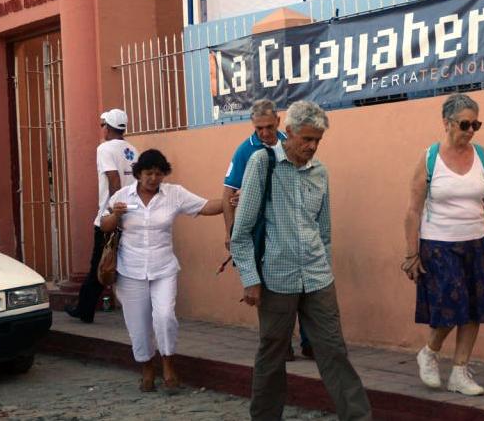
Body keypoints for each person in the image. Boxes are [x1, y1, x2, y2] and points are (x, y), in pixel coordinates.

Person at [230, 101, 372, 421]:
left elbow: (324, 231)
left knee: (334, 351)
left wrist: (324, 266)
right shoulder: (262, 163)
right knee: (273, 354)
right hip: (276, 278)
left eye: (317, 140)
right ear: (289, 132)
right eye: (306, 139)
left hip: (317, 277)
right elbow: (242, 230)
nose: (312, 146)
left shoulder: (320, 172)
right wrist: (250, 279)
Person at [402, 93, 484, 396]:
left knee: (475, 308)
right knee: (452, 307)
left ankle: (459, 372)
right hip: (438, 244)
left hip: (475, 243)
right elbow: (413, 210)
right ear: (447, 123)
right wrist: (411, 254)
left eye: (476, 125)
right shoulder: (429, 158)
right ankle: (429, 351)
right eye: (464, 124)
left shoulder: (481, 155)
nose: (470, 131)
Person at [101, 149, 223, 392]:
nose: (153, 179)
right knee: (138, 325)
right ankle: (147, 369)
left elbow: (206, 206)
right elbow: (103, 225)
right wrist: (116, 214)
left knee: (165, 316)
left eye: (158, 174)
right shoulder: (122, 195)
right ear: (138, 173)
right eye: (148, 173)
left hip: (163, 267)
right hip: (130, 270)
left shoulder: (174, 194)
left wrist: (231, 200)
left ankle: (168, 364)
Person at [221, 99, 312, 361]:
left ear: (279, 122)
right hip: (261, 229)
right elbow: (228, 194)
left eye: (269, 127)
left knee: (305, 286)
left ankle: (310, 342)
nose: (264, 133)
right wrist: (230, 232)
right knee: (269, 288)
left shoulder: (291, 142)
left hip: (294, 226)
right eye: (259, 128)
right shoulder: (244, 152)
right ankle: (280, 344)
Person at [66, 108, 137, 323]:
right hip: (133, 215)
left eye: (102, 125)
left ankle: (84, 310)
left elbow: (114, 181)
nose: (102, 129)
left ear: (108, 126)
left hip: (111, 217)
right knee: (126, 264)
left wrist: (113, 212)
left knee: (98, 264)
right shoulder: (133, 150)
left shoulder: (104, 149)